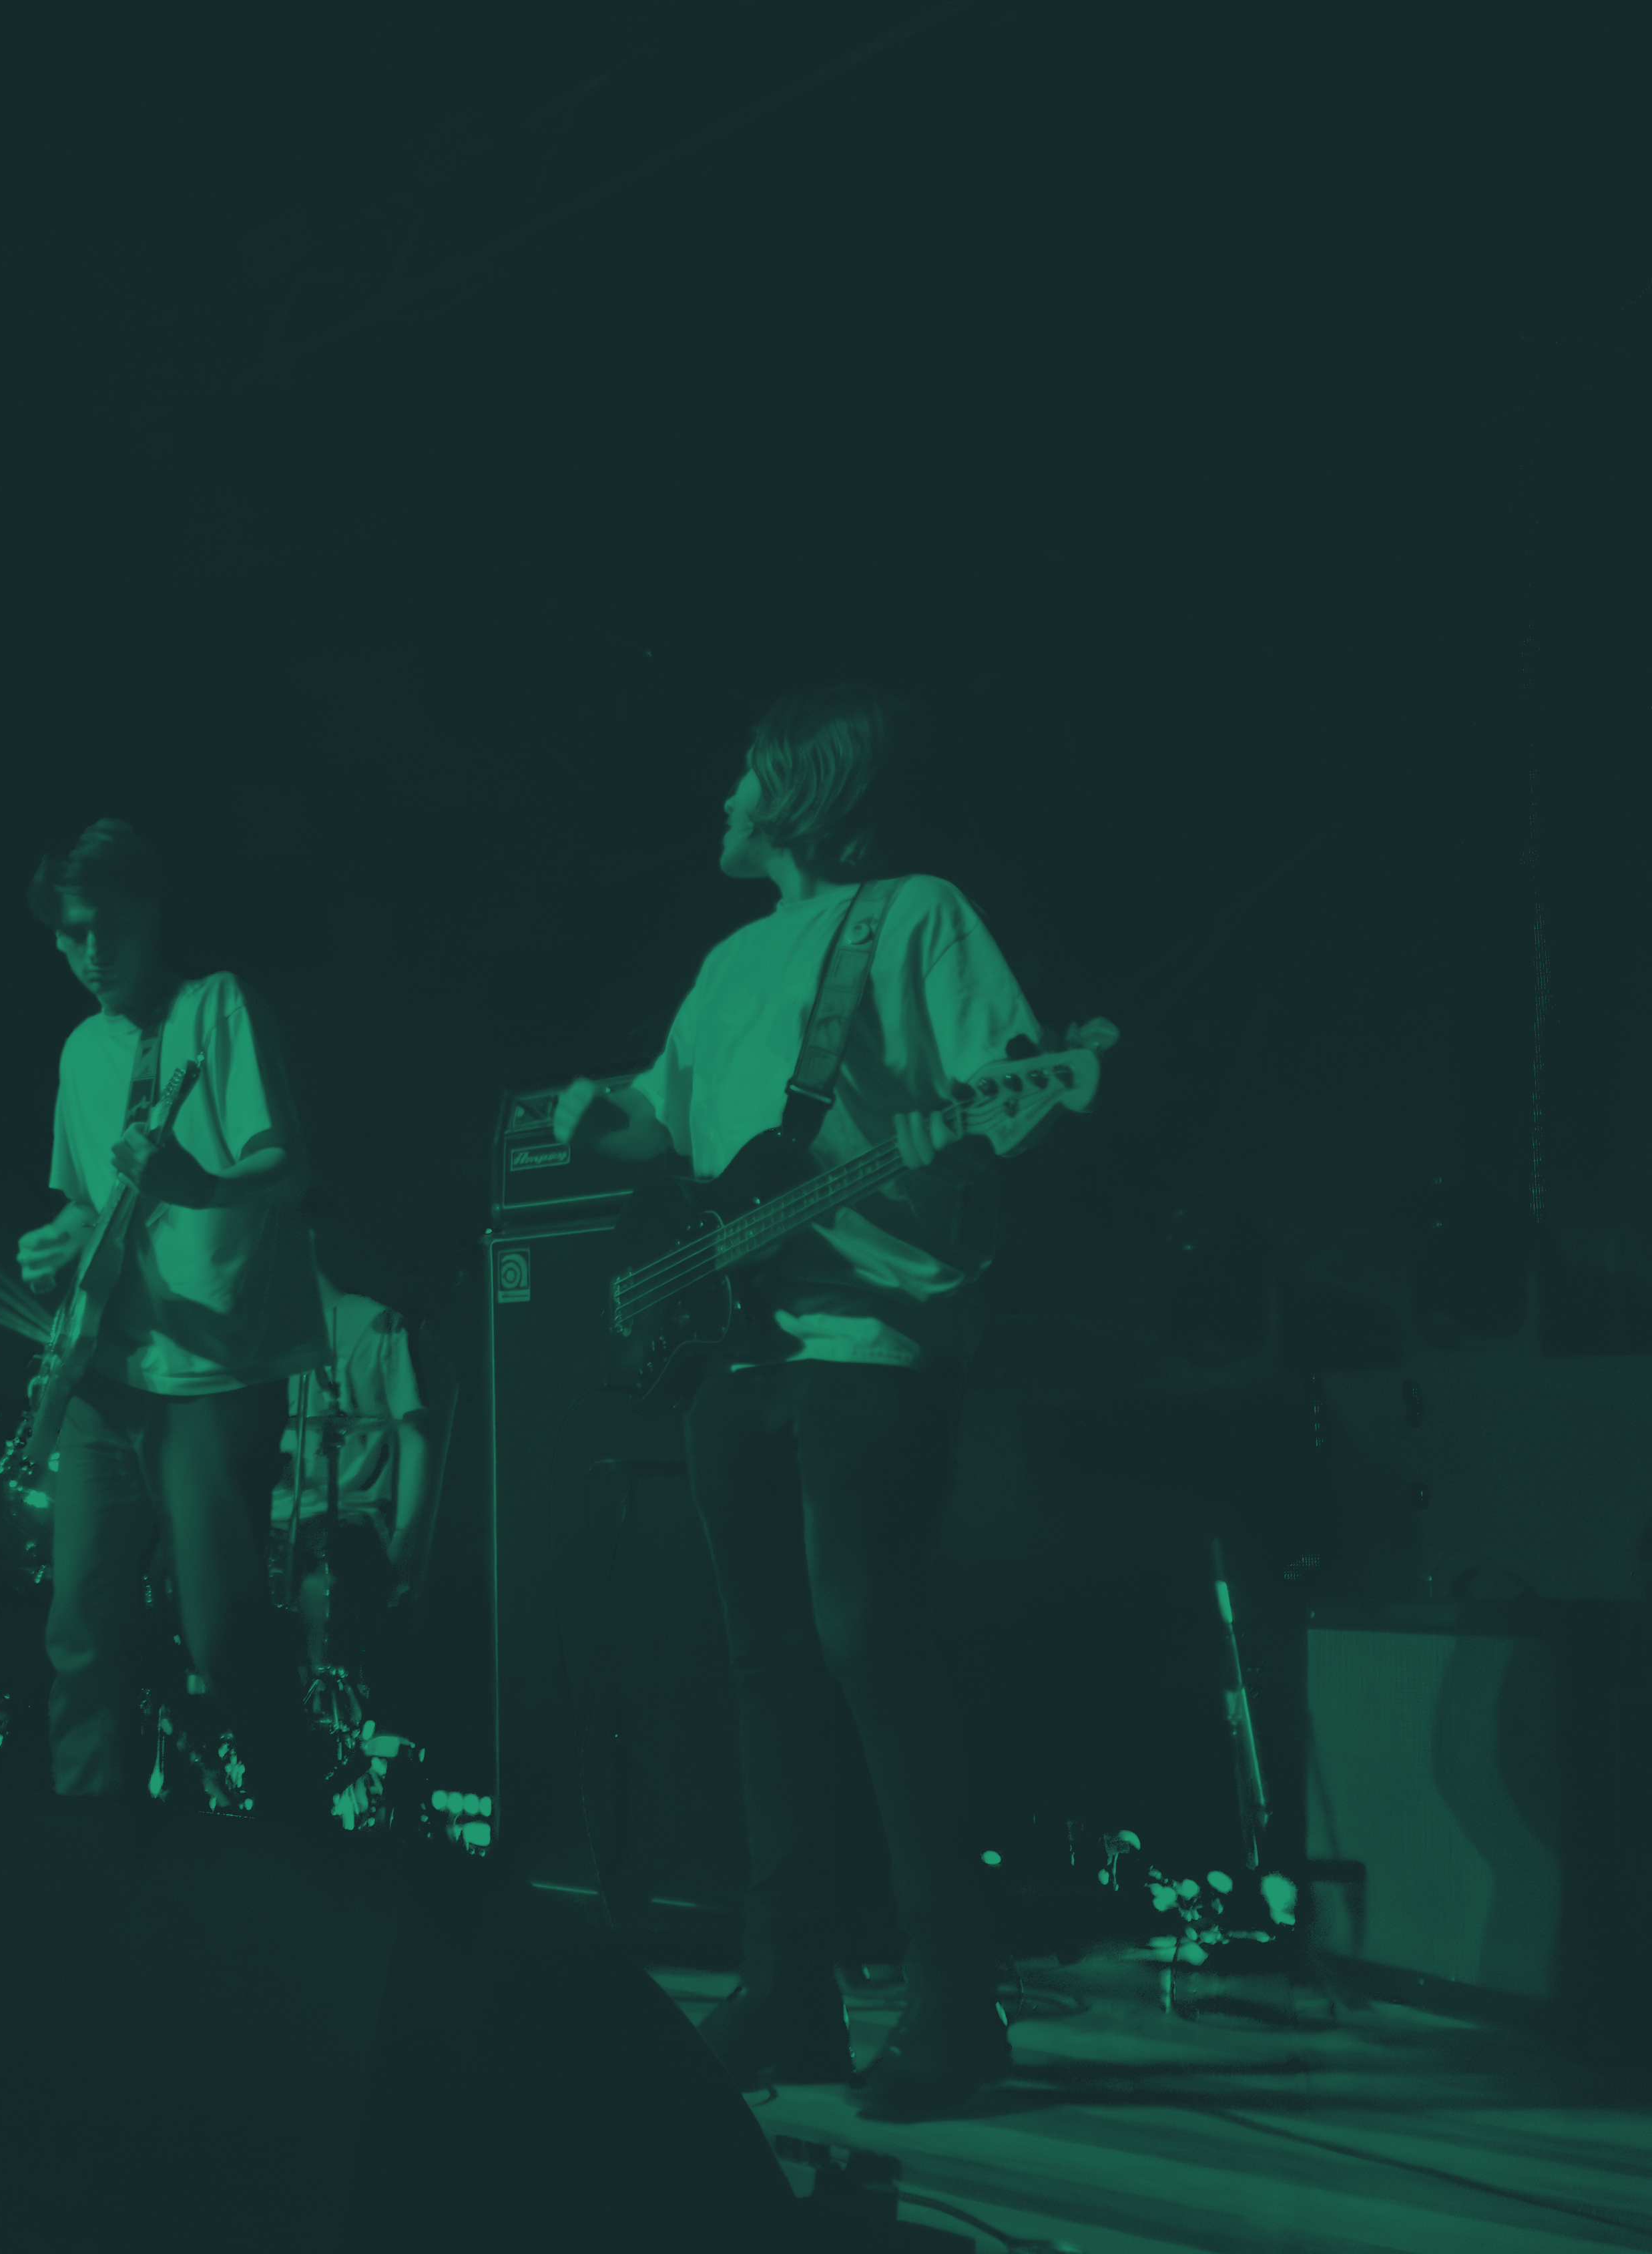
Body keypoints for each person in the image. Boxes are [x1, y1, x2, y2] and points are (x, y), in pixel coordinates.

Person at [551, 685, 1045, 2120]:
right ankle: (789, 1990)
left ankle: (956, 2001)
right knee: (769, 1675)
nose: (717, 804)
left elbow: (1007, 1091)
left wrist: (960, 1125)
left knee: (870, 1655)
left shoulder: (916, 917)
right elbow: (678, 1119)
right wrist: (606, 1115)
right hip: (742, 1355)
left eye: (736, 782)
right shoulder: (724, 962)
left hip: (874, 1342)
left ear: (794, 794)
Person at [11, 819, 330, 1800]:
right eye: (69, 935)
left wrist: (194, 1185)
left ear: (151, 915)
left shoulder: (217, 1007)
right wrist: (57, 1240)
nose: (90, 953)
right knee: (80, 1631)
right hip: (110, 1374)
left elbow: (285, 1167)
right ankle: (86, 1867)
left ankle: (298, 1836)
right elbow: (80, 1202)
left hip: (213, 1376)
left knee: (222, 1632)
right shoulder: (78, 1051)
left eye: (106, 927)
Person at [275, 1233, 440, 1680]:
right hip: (274, 1517)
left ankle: (329, 1698)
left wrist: (405, 1540)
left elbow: (416, 1437)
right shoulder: (261, 1328)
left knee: (323, 1573)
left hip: (349, 1518)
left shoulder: (379, 1324)